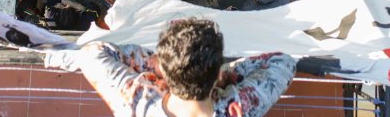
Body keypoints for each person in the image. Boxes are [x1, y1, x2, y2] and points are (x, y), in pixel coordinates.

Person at [51, 18, 297, 117]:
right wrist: (230, 74)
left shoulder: (133, 101)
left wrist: (160, 64)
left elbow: (94, 53)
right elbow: (283, 60)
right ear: (217, 75)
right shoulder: (244, 105)